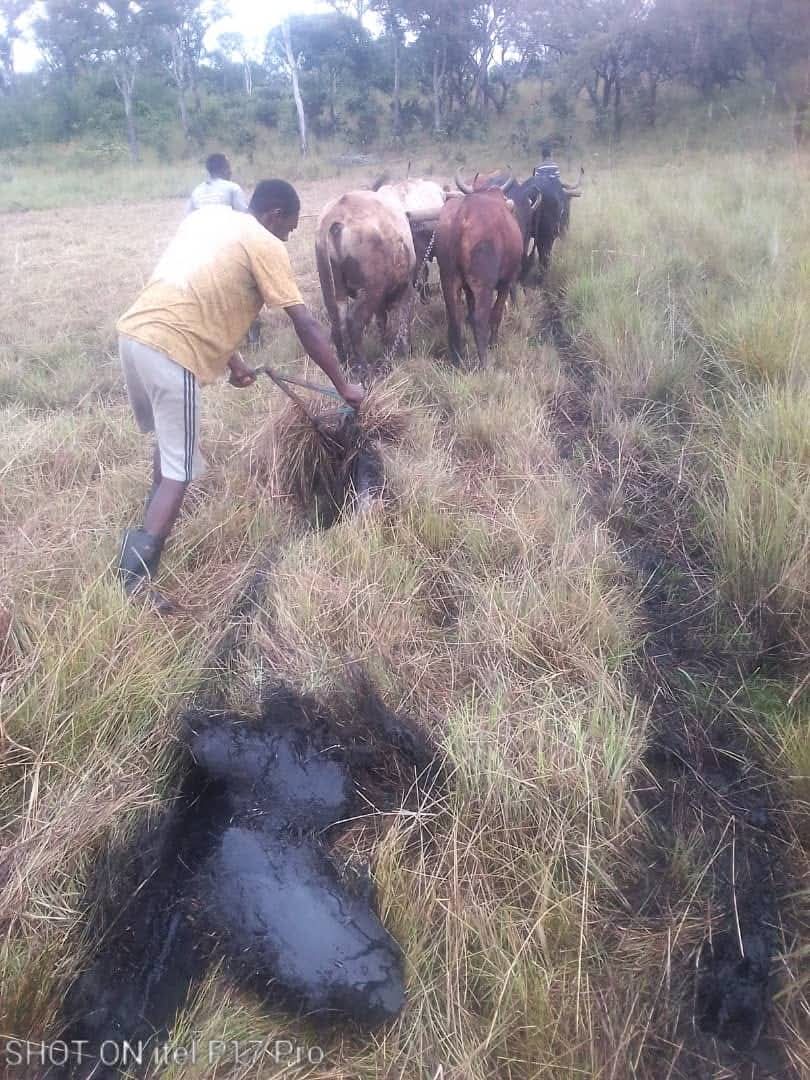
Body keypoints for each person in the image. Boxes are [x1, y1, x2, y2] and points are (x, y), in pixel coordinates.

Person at [115, 179, 365, 610]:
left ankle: (142, 533)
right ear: (273, 216)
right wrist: (344, 385)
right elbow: (305, 325)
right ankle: (134, 582)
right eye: (288, 227)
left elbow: (200, 292)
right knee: (182, 471)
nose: (288, 236)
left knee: (170, 448)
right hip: (173, 351)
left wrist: (233, 361)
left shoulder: (209, 218)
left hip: (134, 336)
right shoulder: (265, 244)